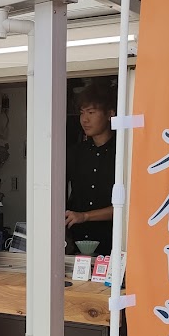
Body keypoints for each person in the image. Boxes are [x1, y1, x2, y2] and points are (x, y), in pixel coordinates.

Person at [66, 81, 116, 256]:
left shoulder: (123, 153)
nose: (84, 119)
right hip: (75, 241)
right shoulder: (74, 153)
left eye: (91, 112)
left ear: (110, 113)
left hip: (112, 243)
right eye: (82, 113)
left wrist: (84, 216)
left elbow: (129, 207)